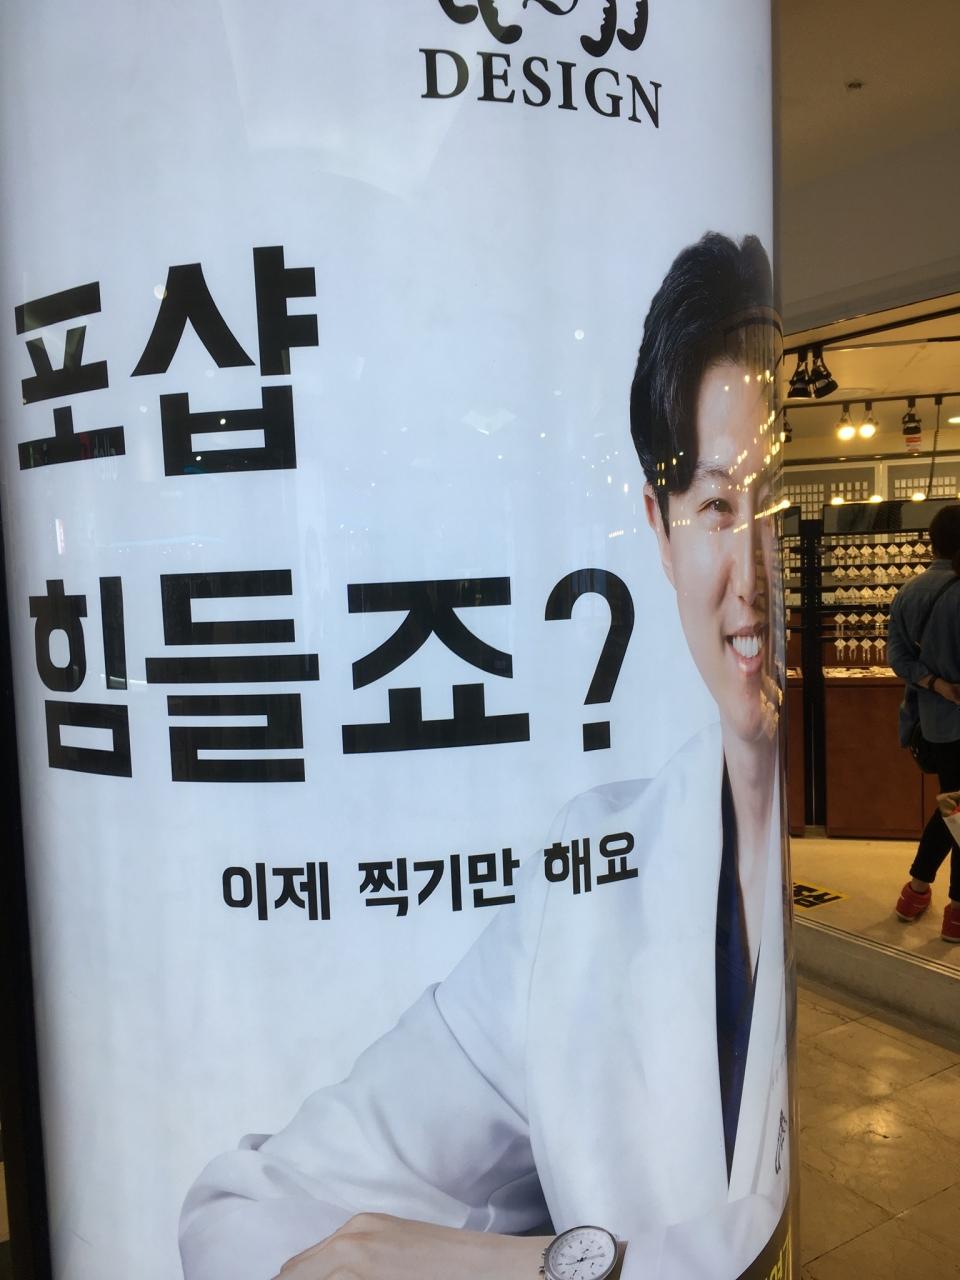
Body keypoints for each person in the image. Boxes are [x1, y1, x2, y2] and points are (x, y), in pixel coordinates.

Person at [179, 233, 791, 1280]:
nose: (753, 571)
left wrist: (513, 1267)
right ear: (658, 529)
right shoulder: (590, 878)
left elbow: (754, 1233)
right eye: (717, 506)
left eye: (772, 503)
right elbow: (244, 1207)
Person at [887, 502, 960, 943]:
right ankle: (956, 911)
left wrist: (934, 683)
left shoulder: (909, 592)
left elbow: (897, 657)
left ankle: (915, 892)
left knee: (954, 805)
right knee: (958, 810)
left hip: (934, 725)